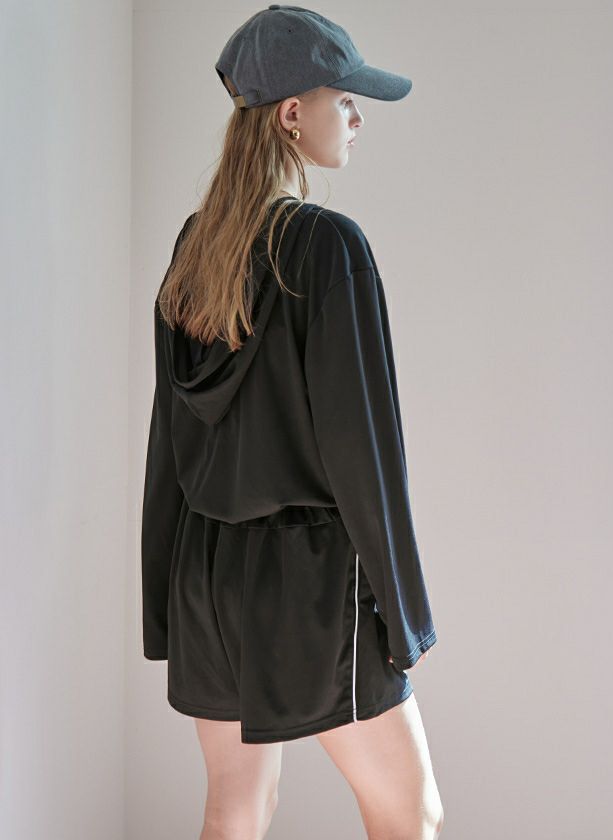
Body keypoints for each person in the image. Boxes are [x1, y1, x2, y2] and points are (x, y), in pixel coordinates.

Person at [140, 5, 443, 838]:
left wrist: (163, 604)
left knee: (239, 805)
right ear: (290, 115)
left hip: (206, 573)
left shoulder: (195, 249)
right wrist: (405, 616)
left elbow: (170, 444)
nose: (356, 117)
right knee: (410, 811)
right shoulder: (328, 247)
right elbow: (364, 451)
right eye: (344, 98)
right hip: (309, 581)